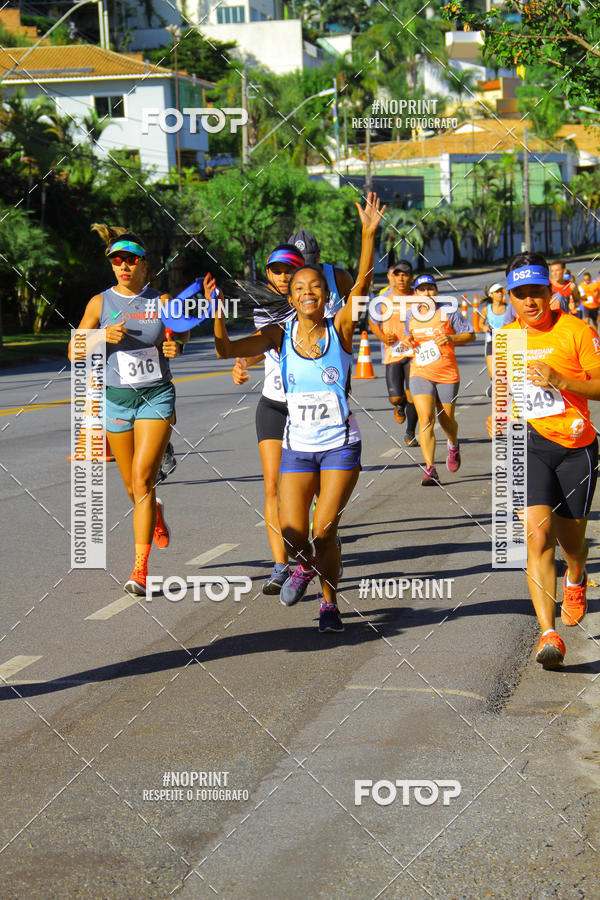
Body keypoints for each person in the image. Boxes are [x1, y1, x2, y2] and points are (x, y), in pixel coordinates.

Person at [208, 193, 385, 632]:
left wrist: (368, 233)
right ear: (291, 293)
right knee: (292, 532)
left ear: (326, 295)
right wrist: (216, 315)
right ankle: (302, 563)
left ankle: (329, 605)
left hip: (340, 446)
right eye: (299, 288)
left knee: (324, 530)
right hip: (297, 446)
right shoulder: (277, 334)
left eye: (315, 288)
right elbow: (227, 349)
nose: (307, 293)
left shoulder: (341, 328)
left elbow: (361, 284)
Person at [491, 251, 600, 669]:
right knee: (537, 537)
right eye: (521, 294)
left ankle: (575, 575)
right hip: (528, 445)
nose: (530, 301)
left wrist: (560, 379)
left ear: (550, 292)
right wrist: (498, 415)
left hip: (576, 448)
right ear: (512, 298)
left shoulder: (576, 330)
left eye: (538, 292)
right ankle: (547, 633)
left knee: (572, 544)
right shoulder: (507, 337)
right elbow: (506, 388)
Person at [68, 225, 188, 595]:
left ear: (144, 265)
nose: (123, 266)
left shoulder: (162, 301)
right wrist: (102, 336)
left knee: (141, 479)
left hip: (155, 397)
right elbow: (73, 351)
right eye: (116, 260)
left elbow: (180, 333)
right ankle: (156, 513)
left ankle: (140, 570)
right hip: (116, 399)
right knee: (131, 485)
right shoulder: (99, 303)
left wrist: (177, 347)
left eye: (130, 260)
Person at [230, 243, 306, 594]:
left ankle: (311, 547)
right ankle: (279, 566)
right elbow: (266, 347)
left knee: (308, 491)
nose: (282, 275)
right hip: (273, 404)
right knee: (272, 487)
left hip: (308, 409)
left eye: (290, 269)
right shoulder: (263, 308)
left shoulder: (314, 306)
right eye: (276, 269)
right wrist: (244, 361)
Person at [401, 275, 475, 485]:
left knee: (445, 420)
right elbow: (409, 336)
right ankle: (430, 468)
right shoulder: (411, 315)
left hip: (446, 373)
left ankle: (453, 443)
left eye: (431, 289)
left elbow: (470, 335)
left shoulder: (448, 311)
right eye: (422, 290)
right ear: (415, 294)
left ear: (436, 291)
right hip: (420, 373)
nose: (427, 293)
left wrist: (452, 338)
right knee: (426, 419)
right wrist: (407, 340)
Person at [368, 258, 419, 445]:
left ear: (411, 277)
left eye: (405, 275)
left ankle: (410, 433)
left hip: (414, 353)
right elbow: (373, 323)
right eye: (398, 275)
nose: (401, 279)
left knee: (413, 394)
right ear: (392, 277)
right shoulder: (383, 300)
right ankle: (399, 405)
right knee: (396, 396)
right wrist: (382, 337)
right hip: (392, 353)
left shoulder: (419, 298)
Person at [287, 229, 354, 318]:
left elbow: (358, 302)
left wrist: (346, 319)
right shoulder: (285, 281)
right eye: (298, 267)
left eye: (307, 265)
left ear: (317, 256)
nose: (304, 272)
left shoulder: (339, 277)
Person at [480, 282, 516, 394]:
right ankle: (493, 385)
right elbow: (480, 323)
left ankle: (507, 387)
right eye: (497, 291)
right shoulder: (487, 309)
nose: (500, 293)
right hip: (491, 341)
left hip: (506, 342)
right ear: (491, 295)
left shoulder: (509, 308)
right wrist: (484, 327)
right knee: (492, 372)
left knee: (506, 368)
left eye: (501, 291)